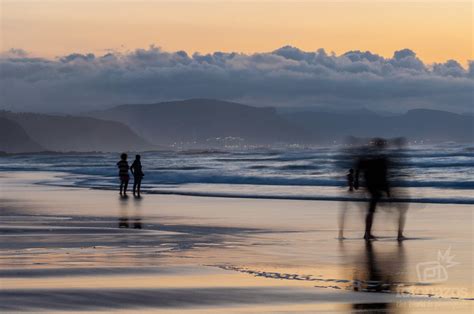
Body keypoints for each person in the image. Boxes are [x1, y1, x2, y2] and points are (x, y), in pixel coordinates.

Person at [354, 138, 390, 241]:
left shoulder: (373, 156)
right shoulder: (380, 158)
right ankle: (367, 233)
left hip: (371, 184)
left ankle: (367, 233)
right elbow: (384, 174)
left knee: (372, 209)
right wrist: (387, 190)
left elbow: (359, 165)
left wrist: (357, 181)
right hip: (373, 184)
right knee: (371, 209)